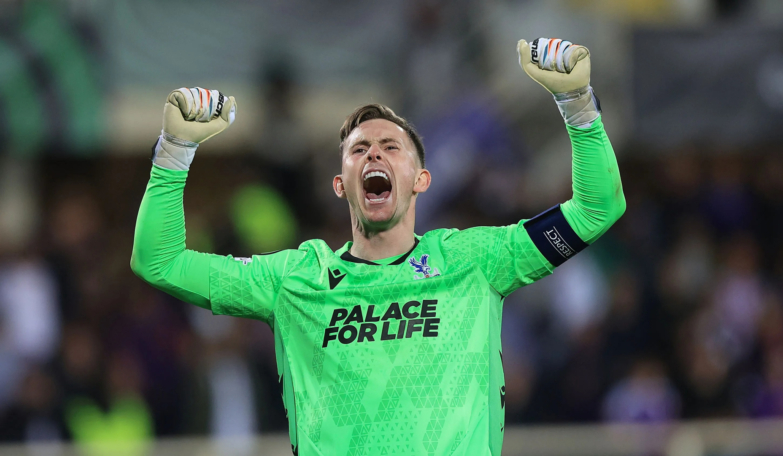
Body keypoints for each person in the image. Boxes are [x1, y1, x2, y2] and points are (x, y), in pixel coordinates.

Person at [131, 36, 625, 456]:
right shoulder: (295, 281)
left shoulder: (473, 260)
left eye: (391, 147)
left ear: (421, 179)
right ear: (340, 185)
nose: (374, 154)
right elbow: (160, 261)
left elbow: (596, 210)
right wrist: (174, 153)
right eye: (358, 150)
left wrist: (577, 104)